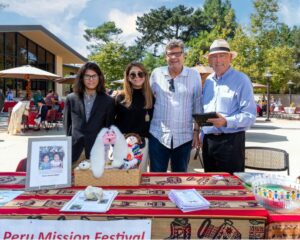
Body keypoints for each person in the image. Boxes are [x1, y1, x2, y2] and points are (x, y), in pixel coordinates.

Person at [201, 39, 256, 174]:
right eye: (214, 56)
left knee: (231, 187)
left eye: (222, 56)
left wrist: (226, 121)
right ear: (209, 60)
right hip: (209, 142)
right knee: (210, 185)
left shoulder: (241, 79)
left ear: (230, 58)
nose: (218, 60)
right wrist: (200, 133)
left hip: (231, 142)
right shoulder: (208, 81)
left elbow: (250, 116)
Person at [149, 39, 202, 172]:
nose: (174, 57)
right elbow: (148, 100)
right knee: (156, 176)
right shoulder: (156, 73)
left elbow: (197, 104)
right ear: (165, 56)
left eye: (178, 53)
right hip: (158, 135)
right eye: (170, 54)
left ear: (184, 55)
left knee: (180, 178)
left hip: (184, 136)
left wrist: (197, 131)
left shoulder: (194, 75)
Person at [63, 62, 115, 163]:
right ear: (81, 78)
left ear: (99, 77)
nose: (91, 79)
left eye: (94, 76)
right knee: (74, 179)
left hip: (98, 151)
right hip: (75, 151)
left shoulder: (108, 101)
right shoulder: (71, 98)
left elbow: (109, 128)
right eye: (87, 76)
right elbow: (67, 126)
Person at [114, 62, 154, 171]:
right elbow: (112, 123)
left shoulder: (151, 98)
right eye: (132, 74)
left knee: (139, 176)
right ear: (127, 77)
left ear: (145, 76)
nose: (137, 77)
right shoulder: (120, 97)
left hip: (142, 144)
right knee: (122, 177)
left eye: (140, 74)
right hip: (123, 143)